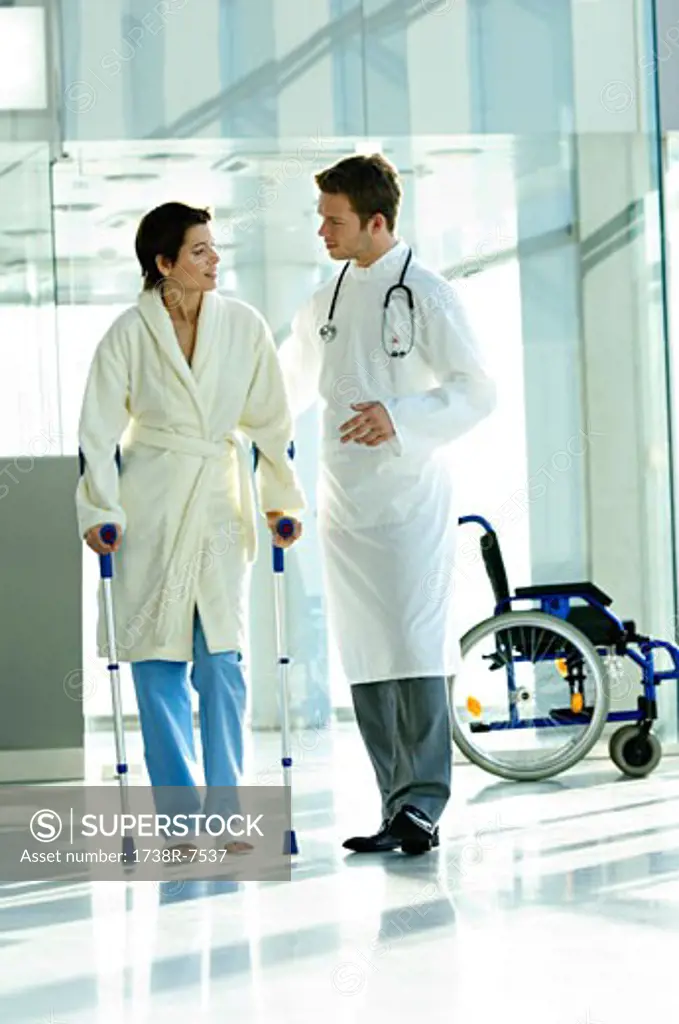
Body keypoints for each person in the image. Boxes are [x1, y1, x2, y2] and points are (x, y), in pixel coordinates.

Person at [279, 154, 496, 856]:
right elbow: (283, 385)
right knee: (368, 656)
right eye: (320, 218)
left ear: (376, 221)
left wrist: (398, 416)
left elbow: (475, 390)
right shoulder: (328, 299)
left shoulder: (426, 293)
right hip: (344, 506)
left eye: (333, 219)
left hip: (408, 504)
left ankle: (423, 805)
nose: (321, 230)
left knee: (412, 646)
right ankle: (391, 806)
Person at [76, 201, 305, 857]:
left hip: (215, 505)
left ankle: (227, 812)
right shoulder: (127, 333)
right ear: (164, 263)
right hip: (148, 507)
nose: (214, 260)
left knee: (221, 666)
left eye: (214, 248)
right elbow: (96, 432)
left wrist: (279, 501)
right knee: (155, 665)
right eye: (199, 250)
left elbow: (270, 424)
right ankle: (178, 822)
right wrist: (100, 511)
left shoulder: (244, 326)